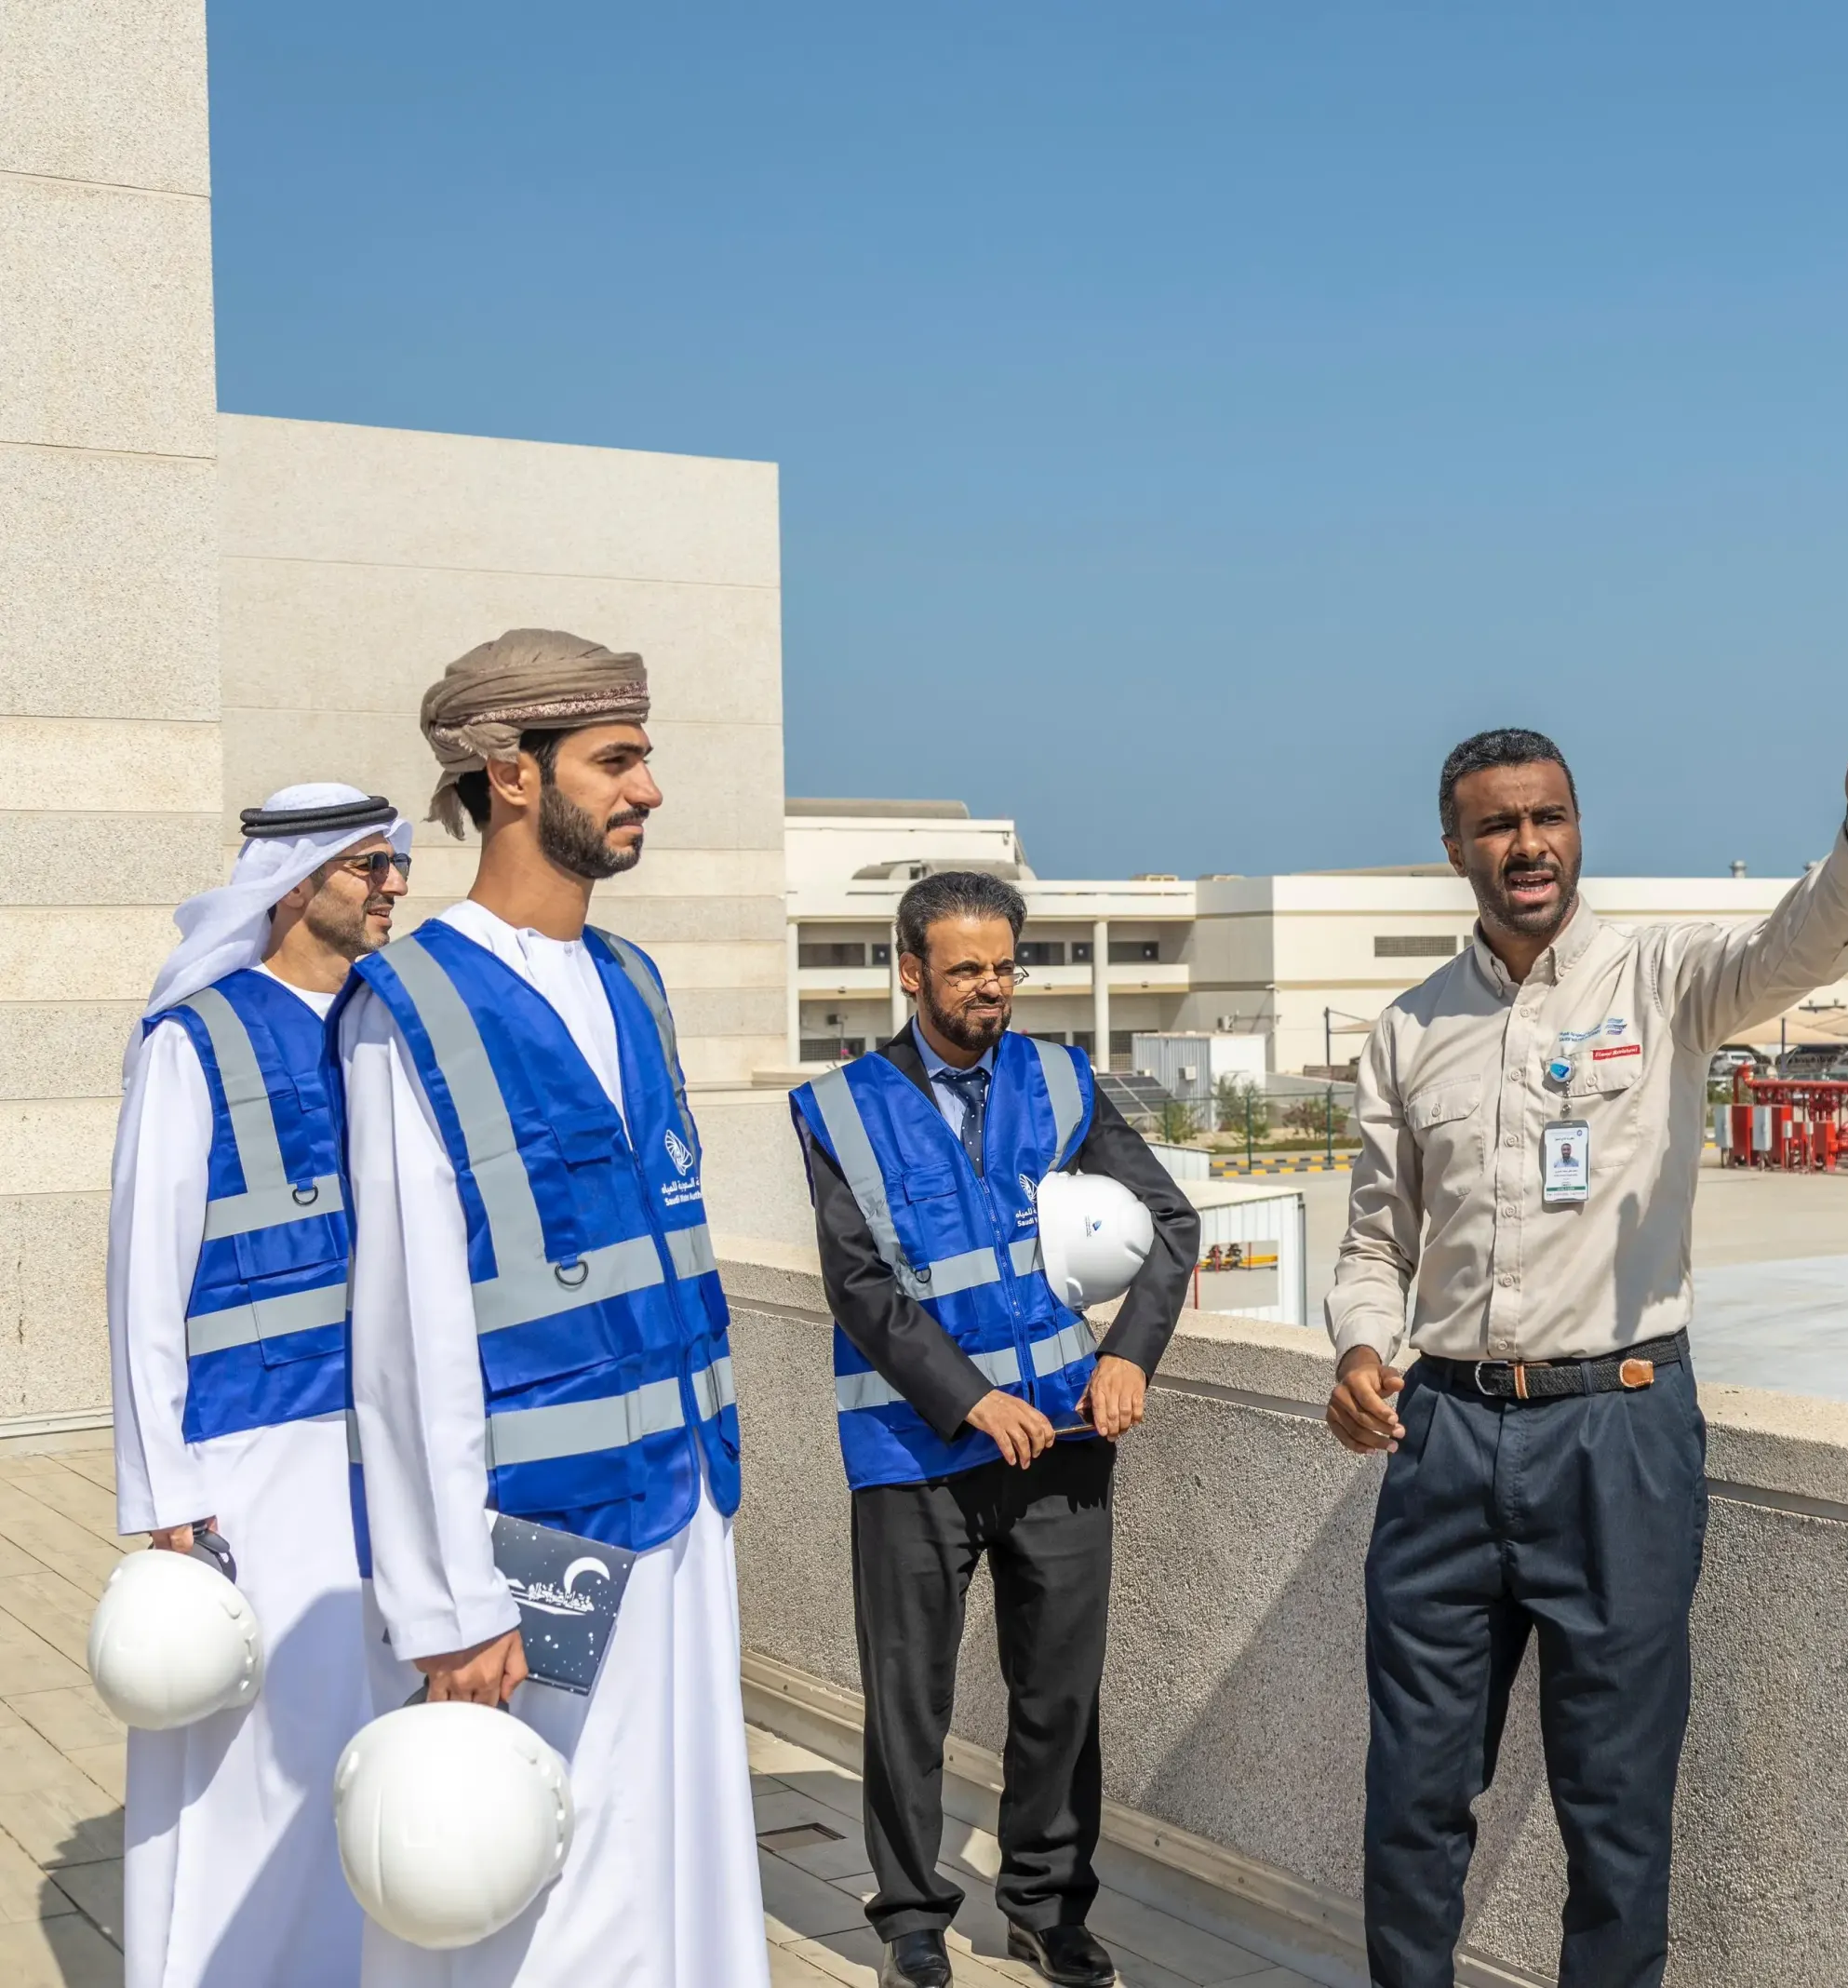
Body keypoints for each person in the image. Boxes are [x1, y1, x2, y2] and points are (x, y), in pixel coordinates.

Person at [1326, 712, 1848, 1988]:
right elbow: (1373, 1241)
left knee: (1613, 1814)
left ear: (1575, 828)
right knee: (1410, 1799)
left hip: (1617, 1434)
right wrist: (1357, 1352)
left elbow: (1797, 949)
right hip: (1441, 1439)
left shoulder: (1661, 982)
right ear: (1454, 849)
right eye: (1496, 824)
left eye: (1546, 816)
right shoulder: (1407, 1031)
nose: (1527, 843)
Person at [339, 629, 766, 1987]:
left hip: (684, 1501)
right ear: (508, 777)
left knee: (672, 1865)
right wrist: (449, 1601)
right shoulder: (403, 1003)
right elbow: (403, 1343)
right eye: (618, 760)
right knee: (532, 1885)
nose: (648, 789)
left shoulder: (631, 981)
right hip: (531, 1539)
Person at [790, 869, 1199, 1988]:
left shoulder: (1062, 1082)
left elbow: (1171, 1220)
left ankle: (1045, 1907)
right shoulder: (838, 1107)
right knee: (906, 1692)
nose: (991, 988)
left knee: (1059, 1690)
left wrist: (1127, 1355)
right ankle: (911, 1921)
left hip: (1063, 1439)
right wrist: (967, 1398)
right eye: (965, 968)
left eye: (1004, 967)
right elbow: (860, 1285)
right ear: (910, 971)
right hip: (914, 1449)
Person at [109, 783, 408, 1988]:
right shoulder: (197, 1037)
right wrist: (161, 1492)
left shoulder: (396, 1028)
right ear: (297, 882)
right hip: (248, 1458)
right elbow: (143, 1272)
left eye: (395, 867)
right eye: (369, 867)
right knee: (247, 1760)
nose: (392, 886)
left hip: (387, 1458)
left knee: (373, 1746)